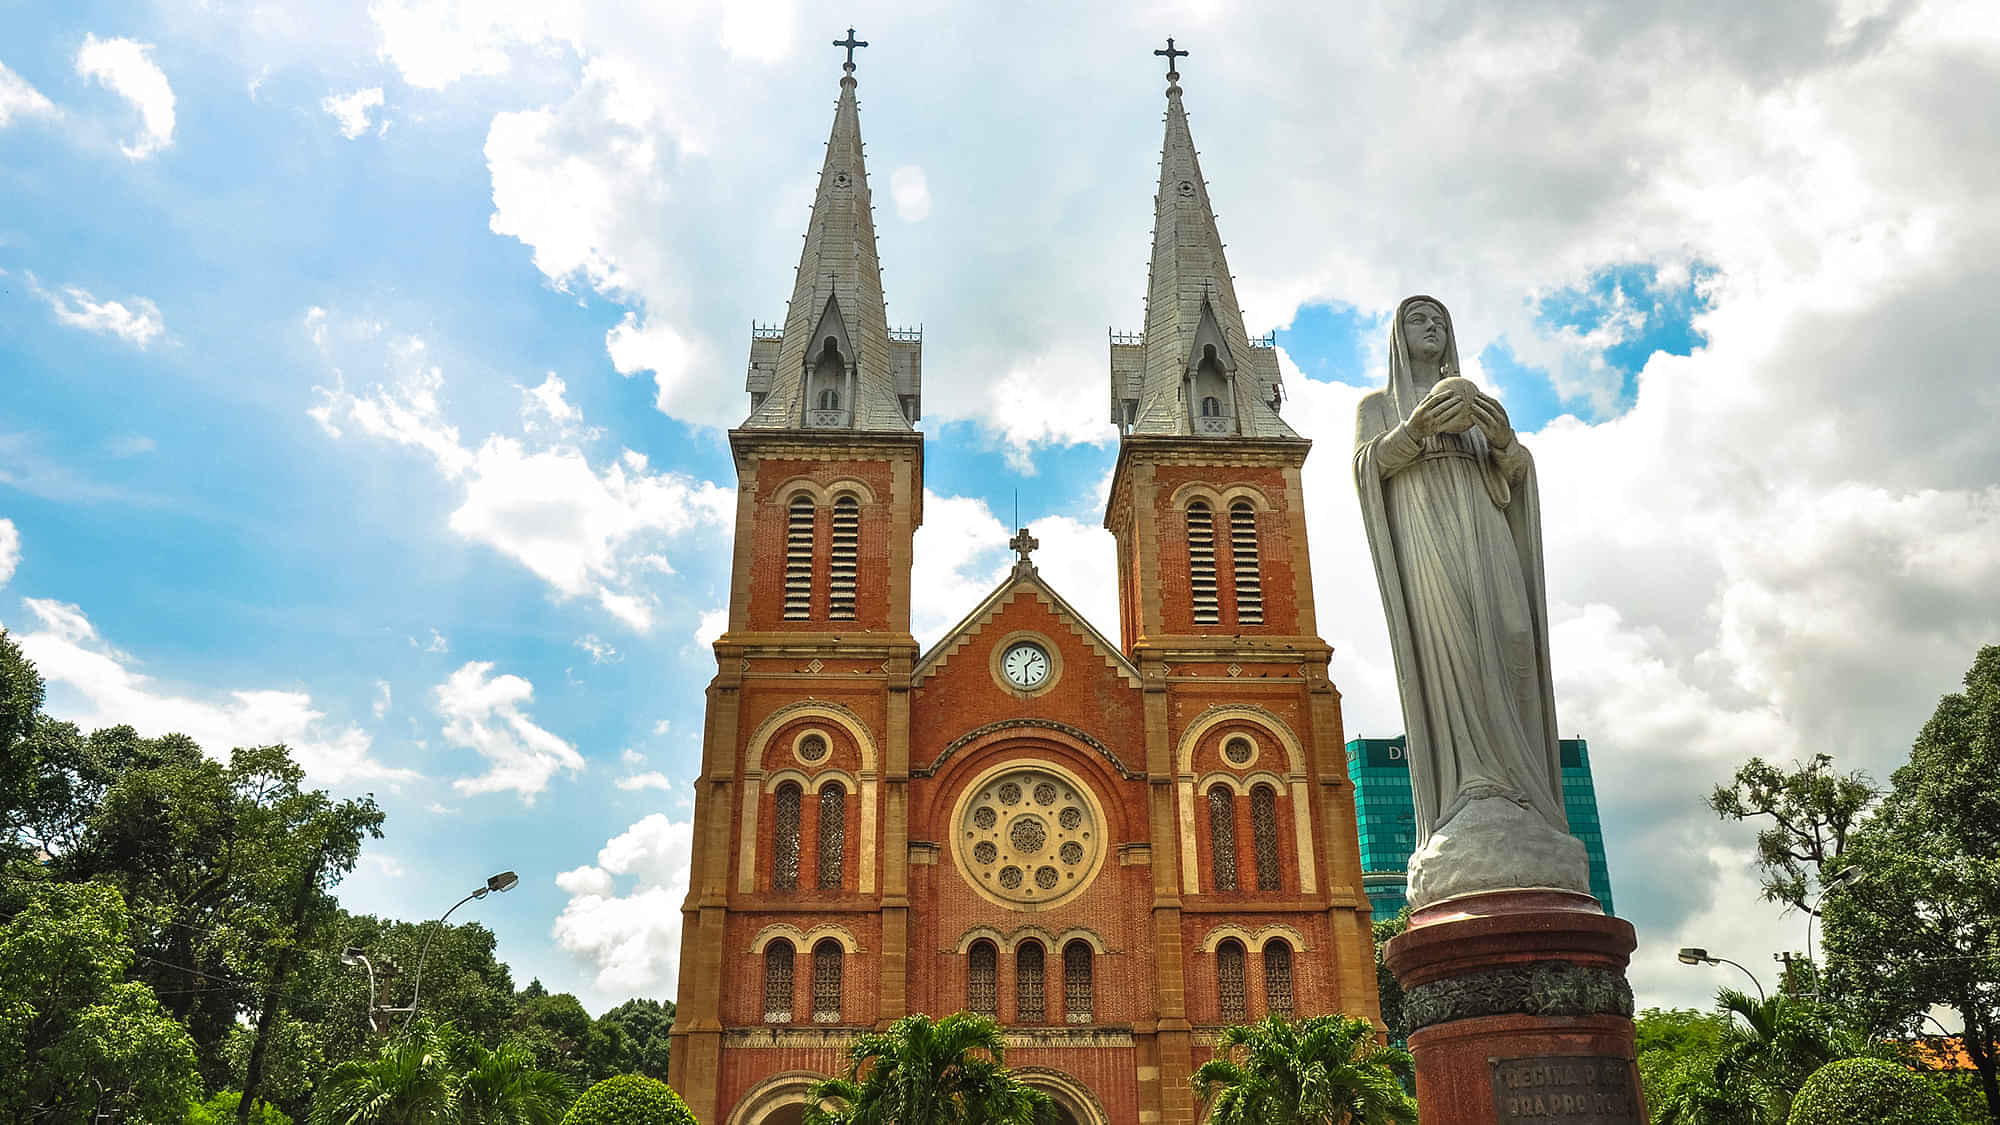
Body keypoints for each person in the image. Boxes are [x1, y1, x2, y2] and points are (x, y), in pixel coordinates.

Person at [1352, 295, 1589, 908]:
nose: (1430, 327)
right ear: (1396, 335)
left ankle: (1521, 789)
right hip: (1427, 539)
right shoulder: (1379, 407)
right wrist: (1416, 430)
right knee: (1451, 649)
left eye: (1440, 320)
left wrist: (1506, 439)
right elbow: (1367, 468)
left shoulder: (1482, 407)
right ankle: (1472, 787)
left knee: (1512, 638)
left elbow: (1515, 474)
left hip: (1485, 536)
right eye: (1417, 319)